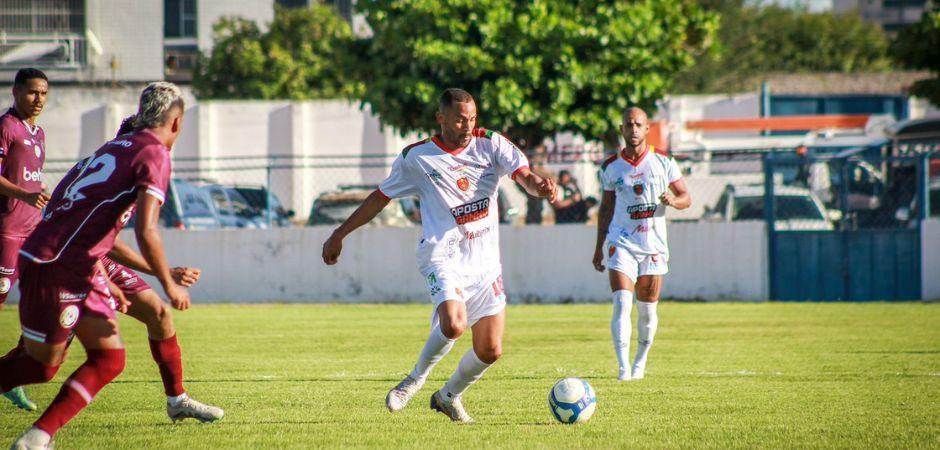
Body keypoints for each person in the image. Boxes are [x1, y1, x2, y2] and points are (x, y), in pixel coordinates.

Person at [322, 88, 556, 423]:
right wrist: (339, 234)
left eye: (472, 118)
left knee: (491, 350)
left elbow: (526, 178)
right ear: (440, 118)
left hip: (485, 263)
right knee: (454, 323)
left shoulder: (491, 144)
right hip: (442, 255)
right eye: (460, 119)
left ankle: (448, 396)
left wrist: (541, 188)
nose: (467, 125)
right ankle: (414, 379)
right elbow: (379, 198)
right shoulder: (417, 158)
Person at [0, 82, 189, 449]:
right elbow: (147, 230)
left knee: (74, 362)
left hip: (52, 256)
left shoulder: (108, 151)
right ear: (176, 123)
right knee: (60, 364)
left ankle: (37, 438)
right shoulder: (155, 153)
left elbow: (70, 215)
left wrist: (101, 274)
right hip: (62, 264)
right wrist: (169, 283)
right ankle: (36, 439)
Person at [593, 107, 691, 381]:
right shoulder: (611, 167)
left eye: (638, 124)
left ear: (647, 128)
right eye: (628, 124)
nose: (633, 129)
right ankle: (623, 369)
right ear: (622, 129)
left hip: (653, 244)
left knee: (647, 311)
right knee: (622, 302)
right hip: (621, 242)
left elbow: (686, 197)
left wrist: (674, 201)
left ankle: (640, 363)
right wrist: (599, 246)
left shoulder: (664, 161)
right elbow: (606, 208)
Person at [0, 68, 52, 412]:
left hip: (34, 232)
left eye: (44, 93)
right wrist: (25, 195)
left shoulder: (39, 133)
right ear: (16, 91)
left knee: (44, 301)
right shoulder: (6, 127)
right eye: (32, 92)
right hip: (7, 230)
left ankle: (10, 375)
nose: (38, 99)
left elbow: (31, 178)